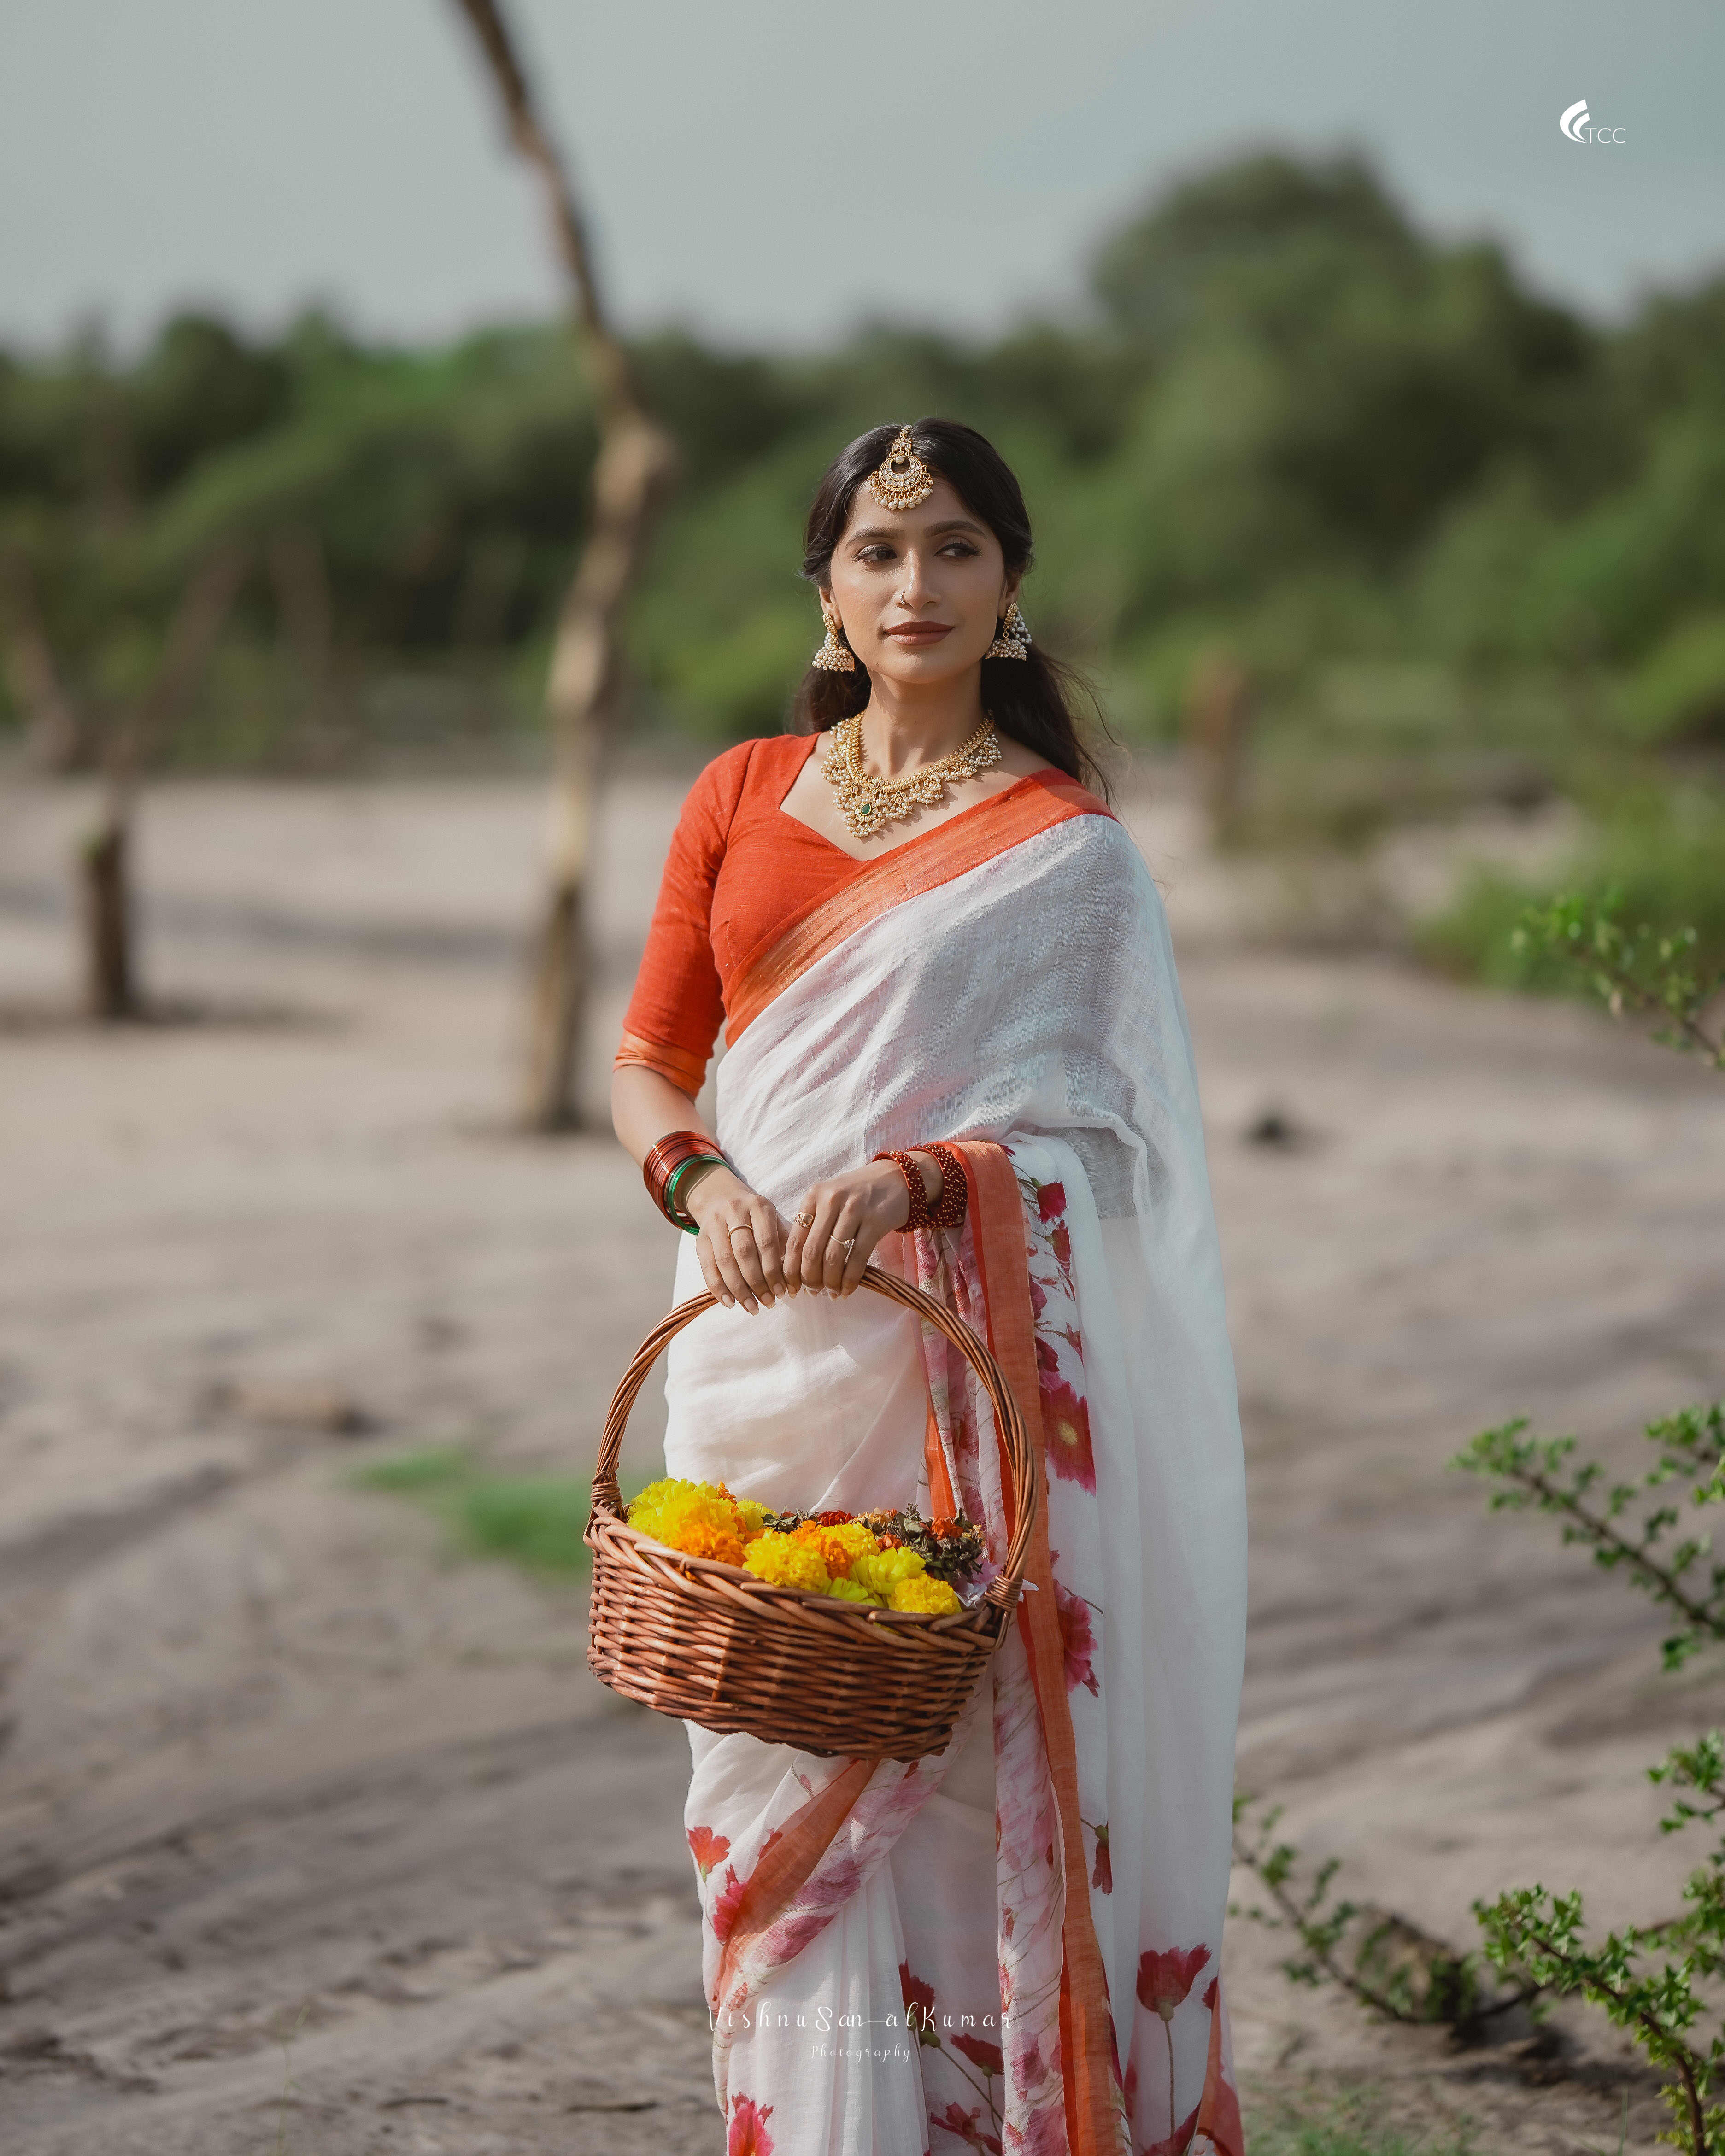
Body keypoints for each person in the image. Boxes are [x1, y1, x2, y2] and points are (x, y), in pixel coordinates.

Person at [611, 418, 1247, 2156]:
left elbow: (1122, 1159)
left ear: (1011, 587)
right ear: (825, 588)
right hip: (762, 1363)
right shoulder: (740, 794)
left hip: (958, 1367)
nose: (917, 584)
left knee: (968, 1779)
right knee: (779, 1764)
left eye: (956, 547)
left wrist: (922, 1184)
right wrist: (706, 1183)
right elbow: (651, 1066)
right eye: (880, 553)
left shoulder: (1069, 852)